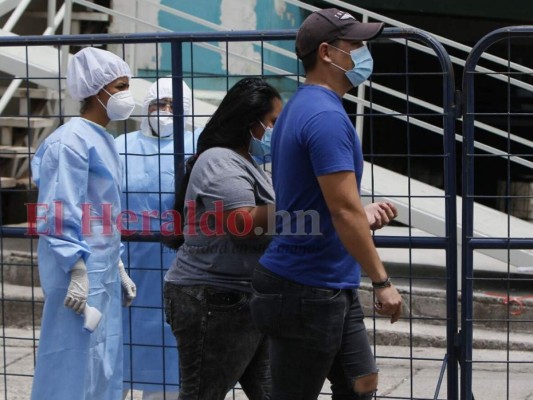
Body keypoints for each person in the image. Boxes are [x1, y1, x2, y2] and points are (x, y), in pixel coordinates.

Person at [249, 8, 403, 400]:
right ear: (327, 53)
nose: (363, 53)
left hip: (329, 281)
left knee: (361, 382)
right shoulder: (325, 117)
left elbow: (321, 200)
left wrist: (359, 214)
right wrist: (382, 281)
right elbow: (343, 210)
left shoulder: (305, 107)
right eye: (355, 45)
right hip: (306, 286)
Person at [163, 77, 282, 400]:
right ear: (250, 121)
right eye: (272, 122)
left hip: (245, 297)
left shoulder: (248, 163)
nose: (276, 131)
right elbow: (242, 224)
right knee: (203, 393)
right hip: (214, 299)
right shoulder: (219, 161)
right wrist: (297, 207)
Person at [30, 47, 137, 400]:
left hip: (100, 272)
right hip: (76, 274)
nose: (126, 94)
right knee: (72, 364)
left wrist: (117, 263)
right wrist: (75, 267)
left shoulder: (101, 139)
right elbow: (58, 209)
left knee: (101, 362)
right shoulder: (71, 141)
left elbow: (101, 211)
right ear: (97, 90)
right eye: (120, 86)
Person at [115, 77, 194, 399]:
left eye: (172, 106)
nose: (163, 112)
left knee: (170, 348)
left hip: (178, 265)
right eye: (156, 104)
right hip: (126, 265)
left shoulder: (199, 145)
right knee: (119, 344)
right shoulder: (119, 147)